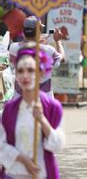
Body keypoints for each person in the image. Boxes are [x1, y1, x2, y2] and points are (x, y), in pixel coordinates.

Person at [0, 45, 65, 179]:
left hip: (41, 174)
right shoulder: (9, 110)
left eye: (30, 70)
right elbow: (2, 146)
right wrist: (22, 159)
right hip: (14, 174)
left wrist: (42, 120)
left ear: (40, 74)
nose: (25, 75)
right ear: (16, 75)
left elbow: (58, 144)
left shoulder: (52, 107)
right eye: (20, 71)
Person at [9, 16, 65, 97]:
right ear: (39, 31)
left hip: (20, 101)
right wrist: (58, 42)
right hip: (43, 102)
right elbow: (62, 58)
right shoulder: (48, 50)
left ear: (23, 31)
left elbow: (27, 45)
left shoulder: (13, 48)